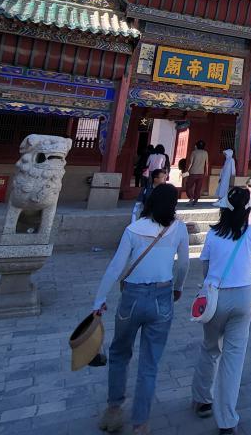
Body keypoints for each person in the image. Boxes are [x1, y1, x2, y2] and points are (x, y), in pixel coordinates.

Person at [93, 183, 189, 435]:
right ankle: (141, 423)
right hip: (162, 295)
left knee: (119, 352)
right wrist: (178, 288)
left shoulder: (133, 229)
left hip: (132, 296)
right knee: (150, 361)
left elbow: (115, 267)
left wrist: (99, 299)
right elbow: (184, 265)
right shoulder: (177, 229)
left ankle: (114, 409)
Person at [191, 186, 251, 434]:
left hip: (216, 296)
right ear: (247, 208)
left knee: (210, 348)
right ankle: (226, 420)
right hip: (243, 297)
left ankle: (203, 399)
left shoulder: (214, 234)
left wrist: (210, 287)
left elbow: (205, 266)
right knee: (233, 359)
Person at [186, 140, 211, 205]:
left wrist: (187, 170)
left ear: (196, 146)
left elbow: (191, 163)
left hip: (193, 172)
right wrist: (207, 172)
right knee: (198, 187)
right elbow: (207, 163)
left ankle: (191, 197)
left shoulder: (194, 152)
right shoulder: (205, 153)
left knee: (188, 186)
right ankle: (195, 200)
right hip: (201, 173)